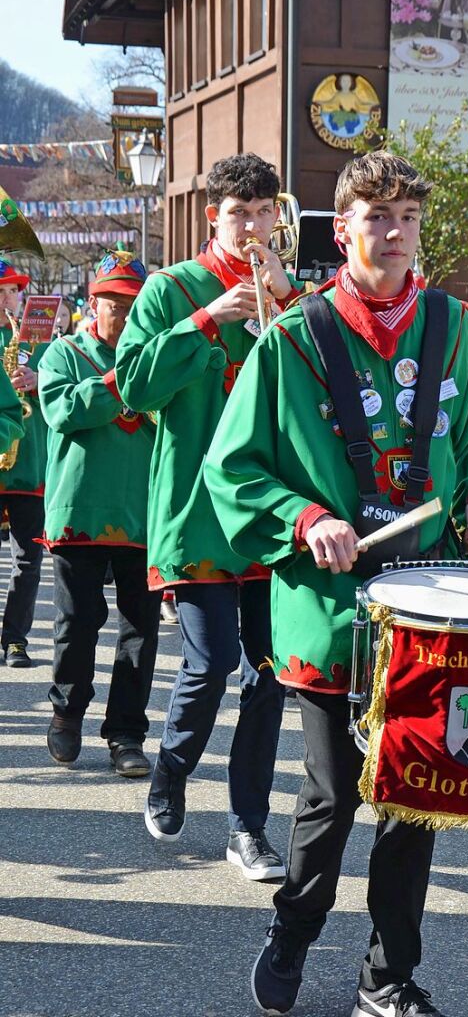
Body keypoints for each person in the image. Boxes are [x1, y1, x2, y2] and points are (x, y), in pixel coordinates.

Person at [205, 151, 468, 1017]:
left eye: (408, 217)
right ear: (341, 230)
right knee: (334, 798)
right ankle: (294, 931)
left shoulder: (450, 323)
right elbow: (235, 469)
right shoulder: (295, 335)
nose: (395, 231)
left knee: (415, 801)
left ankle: (388, 976)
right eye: (377, 216)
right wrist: (306, 518)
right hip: (332, 605)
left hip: (429, 596)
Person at [115, 153, 295, 880]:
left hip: (275, 513)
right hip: (198, 512)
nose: (253, 228)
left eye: (264, 214)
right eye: (238, 215)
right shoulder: (169, 289)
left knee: (271, 673)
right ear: (211, 218)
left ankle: (248, 825)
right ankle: (171, 767)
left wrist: (290, 305)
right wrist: (205, 318)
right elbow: (133, 384)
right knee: (213, 662)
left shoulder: (292, 293)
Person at [37, 246, 160, 776]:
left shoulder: (152, 360)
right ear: (93, 303)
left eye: (134, 304)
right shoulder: (63, 354)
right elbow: (61, 410)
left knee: (141, 630)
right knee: (78, 622)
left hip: (144, 515)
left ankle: (126, 734)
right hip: (80, 512)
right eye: (116, 303)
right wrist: (118, 383)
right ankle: (67, 714)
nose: (126, 315)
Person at [0, 258, 49, 668]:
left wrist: (39, 380)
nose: (4, 299)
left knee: (27, 560)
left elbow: (65, 396)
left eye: (10, 291)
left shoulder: (42, 341)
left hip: (29, 465)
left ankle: (15, 637)